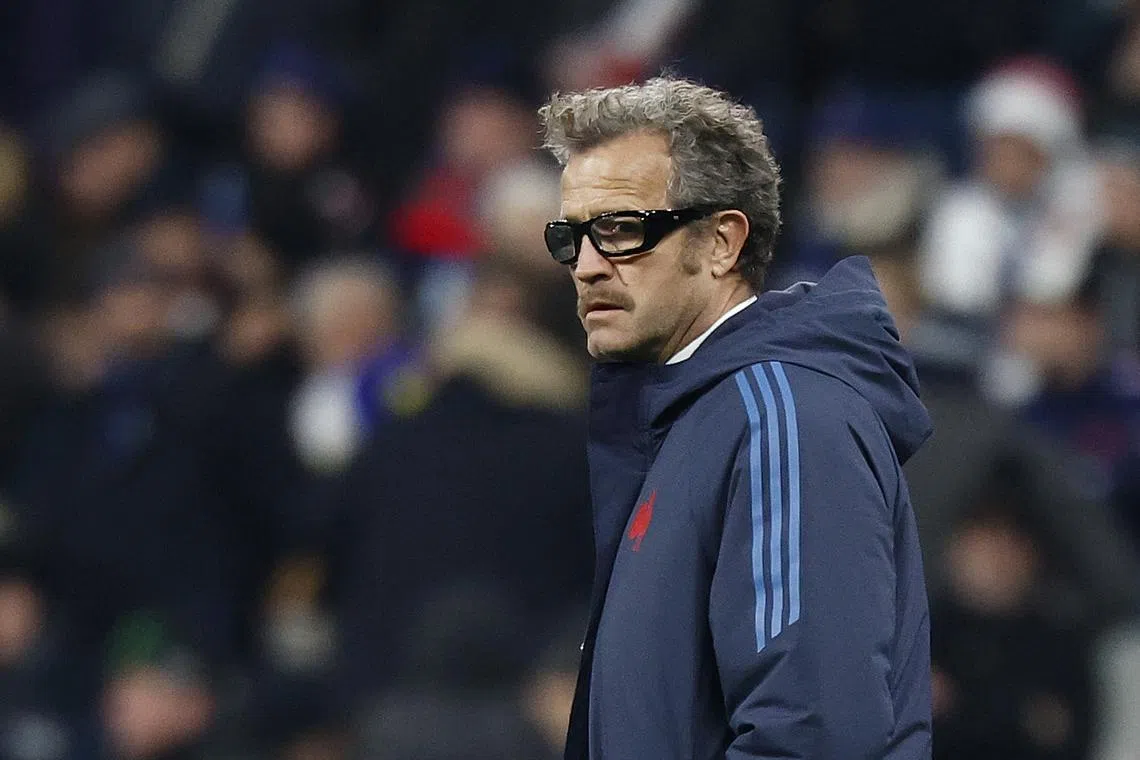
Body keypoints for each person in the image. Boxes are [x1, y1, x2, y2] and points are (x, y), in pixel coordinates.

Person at [538, 76, 934, 759]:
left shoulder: (781, 415)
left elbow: (812, 734)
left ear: (722, 242)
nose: (588, 268)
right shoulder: (694, 417)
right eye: (572, 238)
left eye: (622, 230)